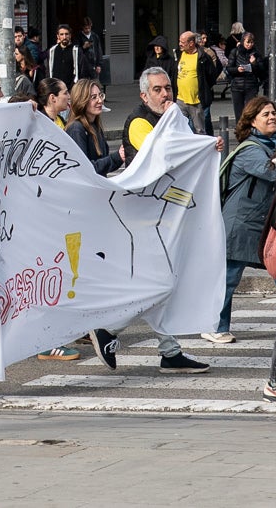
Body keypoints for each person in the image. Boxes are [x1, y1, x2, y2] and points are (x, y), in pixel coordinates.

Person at [87, 66, 210, 374]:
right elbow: (164, 157)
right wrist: (196, 142)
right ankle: (109, 329)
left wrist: (207, 145)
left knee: (159, 285)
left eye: (168, 87)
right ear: (144, 94)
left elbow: (184, 153)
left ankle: (169, 351)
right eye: (157, 89)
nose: (165, 94)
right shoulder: (139, 122)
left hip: (160, 218)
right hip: (140, 221)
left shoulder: (172, 118)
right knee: (160, 285)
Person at [213, 96, 276, 344]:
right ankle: (215, 326)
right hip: (239, 225)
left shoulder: (274, 145)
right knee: (229, 279)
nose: (272, 117)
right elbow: (272, 172)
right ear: (252, 121)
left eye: (273, 113)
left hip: (259, 224)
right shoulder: (250, 150)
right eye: (265, 114)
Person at [65, 78, 120, 175]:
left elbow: (103, 164)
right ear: (82, 100)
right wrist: (117, 157)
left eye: (100, 95)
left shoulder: (95, 125)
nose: (100, 101)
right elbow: (85, 169)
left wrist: (120, 157)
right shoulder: (76, 128)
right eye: (93, 97)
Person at [175, 30, 217, 135]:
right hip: (180, 99)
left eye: (182, 42)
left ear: (191, 43)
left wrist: (204, 89)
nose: (180, 44)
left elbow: (212, 75)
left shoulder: (203, 57)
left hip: (196, 101)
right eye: (179, 41)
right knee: (180, 130)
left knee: (200, 131)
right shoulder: (180, 54)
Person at [226, 32, 264, 123]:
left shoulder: (256, 53)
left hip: (251, 85)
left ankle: (249, 131)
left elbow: (261, 70)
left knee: (250, 111)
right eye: (248, 42)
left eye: (251, 42)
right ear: (243, 42)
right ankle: (240, 131)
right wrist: (237, 70)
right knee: (238, 112)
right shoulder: (235, 52)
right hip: (237, 85)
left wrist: (254, 63)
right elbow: (229, 68)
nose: (249, 45)